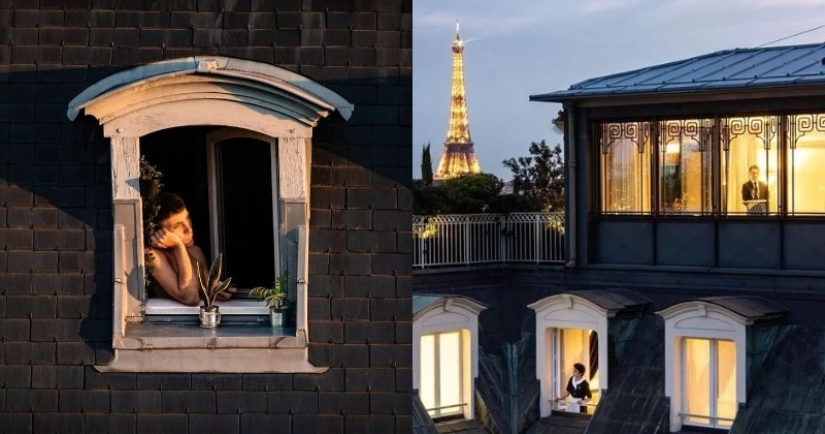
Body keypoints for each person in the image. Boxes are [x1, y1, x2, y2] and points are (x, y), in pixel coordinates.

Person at [145, 192, 235, 306]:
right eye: (177, 226)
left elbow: (208, 288)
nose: (188, 228)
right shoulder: (153, 256)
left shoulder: (195, 251)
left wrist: (220, 290)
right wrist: (178, 245)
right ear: (158, 234)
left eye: (187, 218)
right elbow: (190, 297)